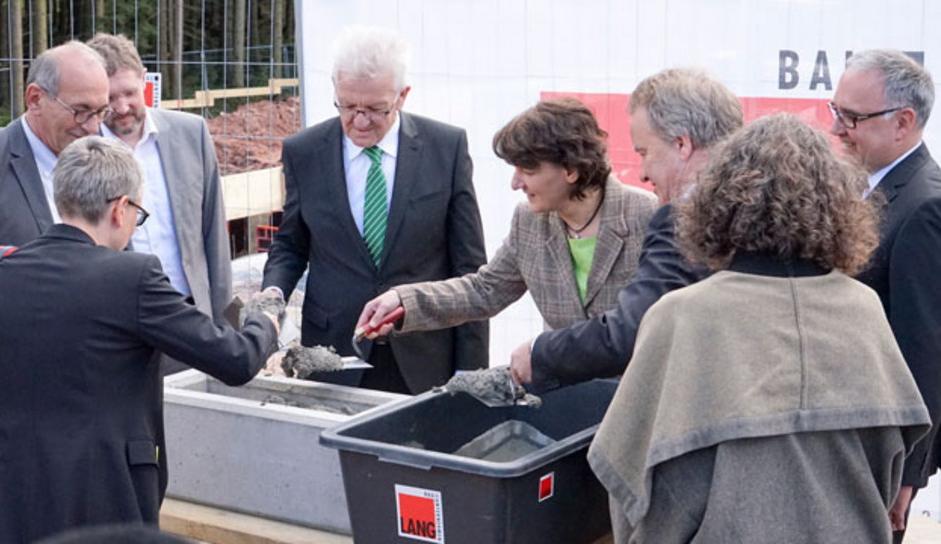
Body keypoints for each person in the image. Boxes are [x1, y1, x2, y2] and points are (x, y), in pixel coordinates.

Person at [591, 113, 930, 544]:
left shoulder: (682, 316)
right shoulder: (863, 309)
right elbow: (888, 457)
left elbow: (628, 474)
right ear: (840, 207)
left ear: (719, 202)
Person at [0, 137, 278, 543]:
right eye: (139, 214)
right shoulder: (133, 278)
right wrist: (264, 322)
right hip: (104, 500)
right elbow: (233, 359)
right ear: (120, 208)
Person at [261, 26, 488, 394]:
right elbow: (291, 245)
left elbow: (470, 271)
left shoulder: (445, 149)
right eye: (348, 106)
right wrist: (271, 295)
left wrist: (470, 374)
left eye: (375, 109)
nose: (360, 121)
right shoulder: (304, 152)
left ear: (402, 97)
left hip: (426, 355)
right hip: (334, 353)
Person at [356, 98, 655, 353]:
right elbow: (485, 290)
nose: (516, 184)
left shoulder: (648, 216)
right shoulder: (529, 221)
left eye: (528, 170)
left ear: (571, 169)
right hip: (569, 396)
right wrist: (403, 301)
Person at [510, 68, 741, 389]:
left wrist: (541, 353)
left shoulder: (672, 219)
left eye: (644, 153)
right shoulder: (773, 205)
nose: (643, 172)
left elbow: (632, 329)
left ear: (681, 145)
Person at [829, 48, 941, 540]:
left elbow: (924, 352)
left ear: (904, 122)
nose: (837, 129)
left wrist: (908, 474)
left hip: (882, 454)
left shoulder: (924, 207)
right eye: (837, 112)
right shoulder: (873, 188)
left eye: (852, 117)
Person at [0, 41, 110, 326]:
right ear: (35, 98)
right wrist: (3, 310)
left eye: (102, 112)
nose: (93, 127)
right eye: (81, 110)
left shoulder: (93, 161)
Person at [88, 33, 235, 373]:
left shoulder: (192, 133)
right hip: (122, 327)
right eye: (110, 99)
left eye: (129, 93)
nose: (122, 108)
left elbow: (214, 234)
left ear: (145, 80)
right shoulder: (83, 153)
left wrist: (224, 323)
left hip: (191, 316)